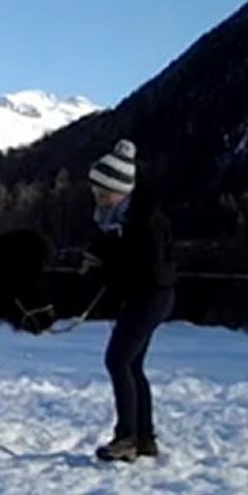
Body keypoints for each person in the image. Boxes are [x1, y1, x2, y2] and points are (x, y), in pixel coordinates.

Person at [79, 138, 177, 462]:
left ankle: (127, 438)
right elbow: (117, 252)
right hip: (145, 296)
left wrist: (106, 266)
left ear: (120, 189)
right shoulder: (120, 216)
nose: (98, 197)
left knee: (118, 361)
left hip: (151, 296)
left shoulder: (146, 221)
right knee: (132, 364)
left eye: (103, 191)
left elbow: (144, 267)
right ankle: (144, 437)